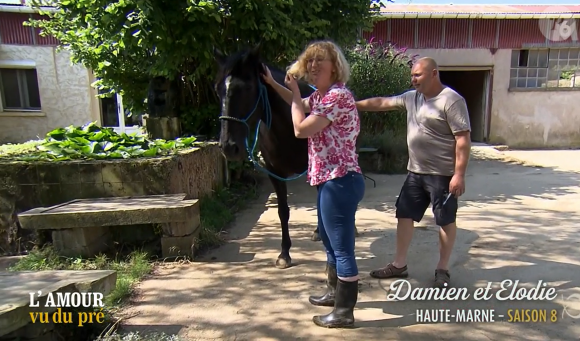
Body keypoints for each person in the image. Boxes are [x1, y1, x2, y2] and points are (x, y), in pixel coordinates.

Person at [261, 40, 365, 328]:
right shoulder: (322, 96)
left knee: (343, 249)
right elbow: (295, 101)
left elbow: (300, 128)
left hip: (340, 180)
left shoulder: (338, 97)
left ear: (336, 67)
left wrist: (295, 95)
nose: (314, 66)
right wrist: (273, 83)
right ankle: (334, 293)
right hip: (328, 181)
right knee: (331, 244)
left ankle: (344, 312)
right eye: (310, 61)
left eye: (321, 60)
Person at [356, 57, 471, 288]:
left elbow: (463, 140)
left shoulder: (451, 100)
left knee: (445, 221)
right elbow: (382, 103)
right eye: (412, 75)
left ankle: (442, 269)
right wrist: (352, 104)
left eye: (418, 75)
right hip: (415, 173)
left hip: (442, 175)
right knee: (404, 215)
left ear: (434, 74)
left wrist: (459, 174)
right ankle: (399, 265)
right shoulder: (412, 97)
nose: (413, 79)